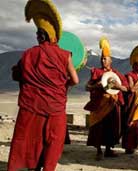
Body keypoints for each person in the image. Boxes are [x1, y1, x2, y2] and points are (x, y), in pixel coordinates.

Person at [8, 0, 79, 171]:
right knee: (51, 143)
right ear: (53, 36)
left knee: (28, 141)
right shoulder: (64, 55)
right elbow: (75, 80)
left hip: (31, 106)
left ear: (40, 36)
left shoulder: (29, 54)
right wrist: (62, 86)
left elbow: (17, 75)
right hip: (55, 108)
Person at [84, 37, 128, 161]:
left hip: (112, 104)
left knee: (111, 127)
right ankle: (99, 151)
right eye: (102, 58)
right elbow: (86, 87)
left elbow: (126, 88)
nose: (103, 61)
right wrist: (95, 85)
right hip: (99, 104)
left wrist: (118, 86)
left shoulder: (116, 74)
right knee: (99, 127)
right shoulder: (96, 72)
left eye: (105, 59)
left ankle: (109, 150)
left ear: (111, 60)